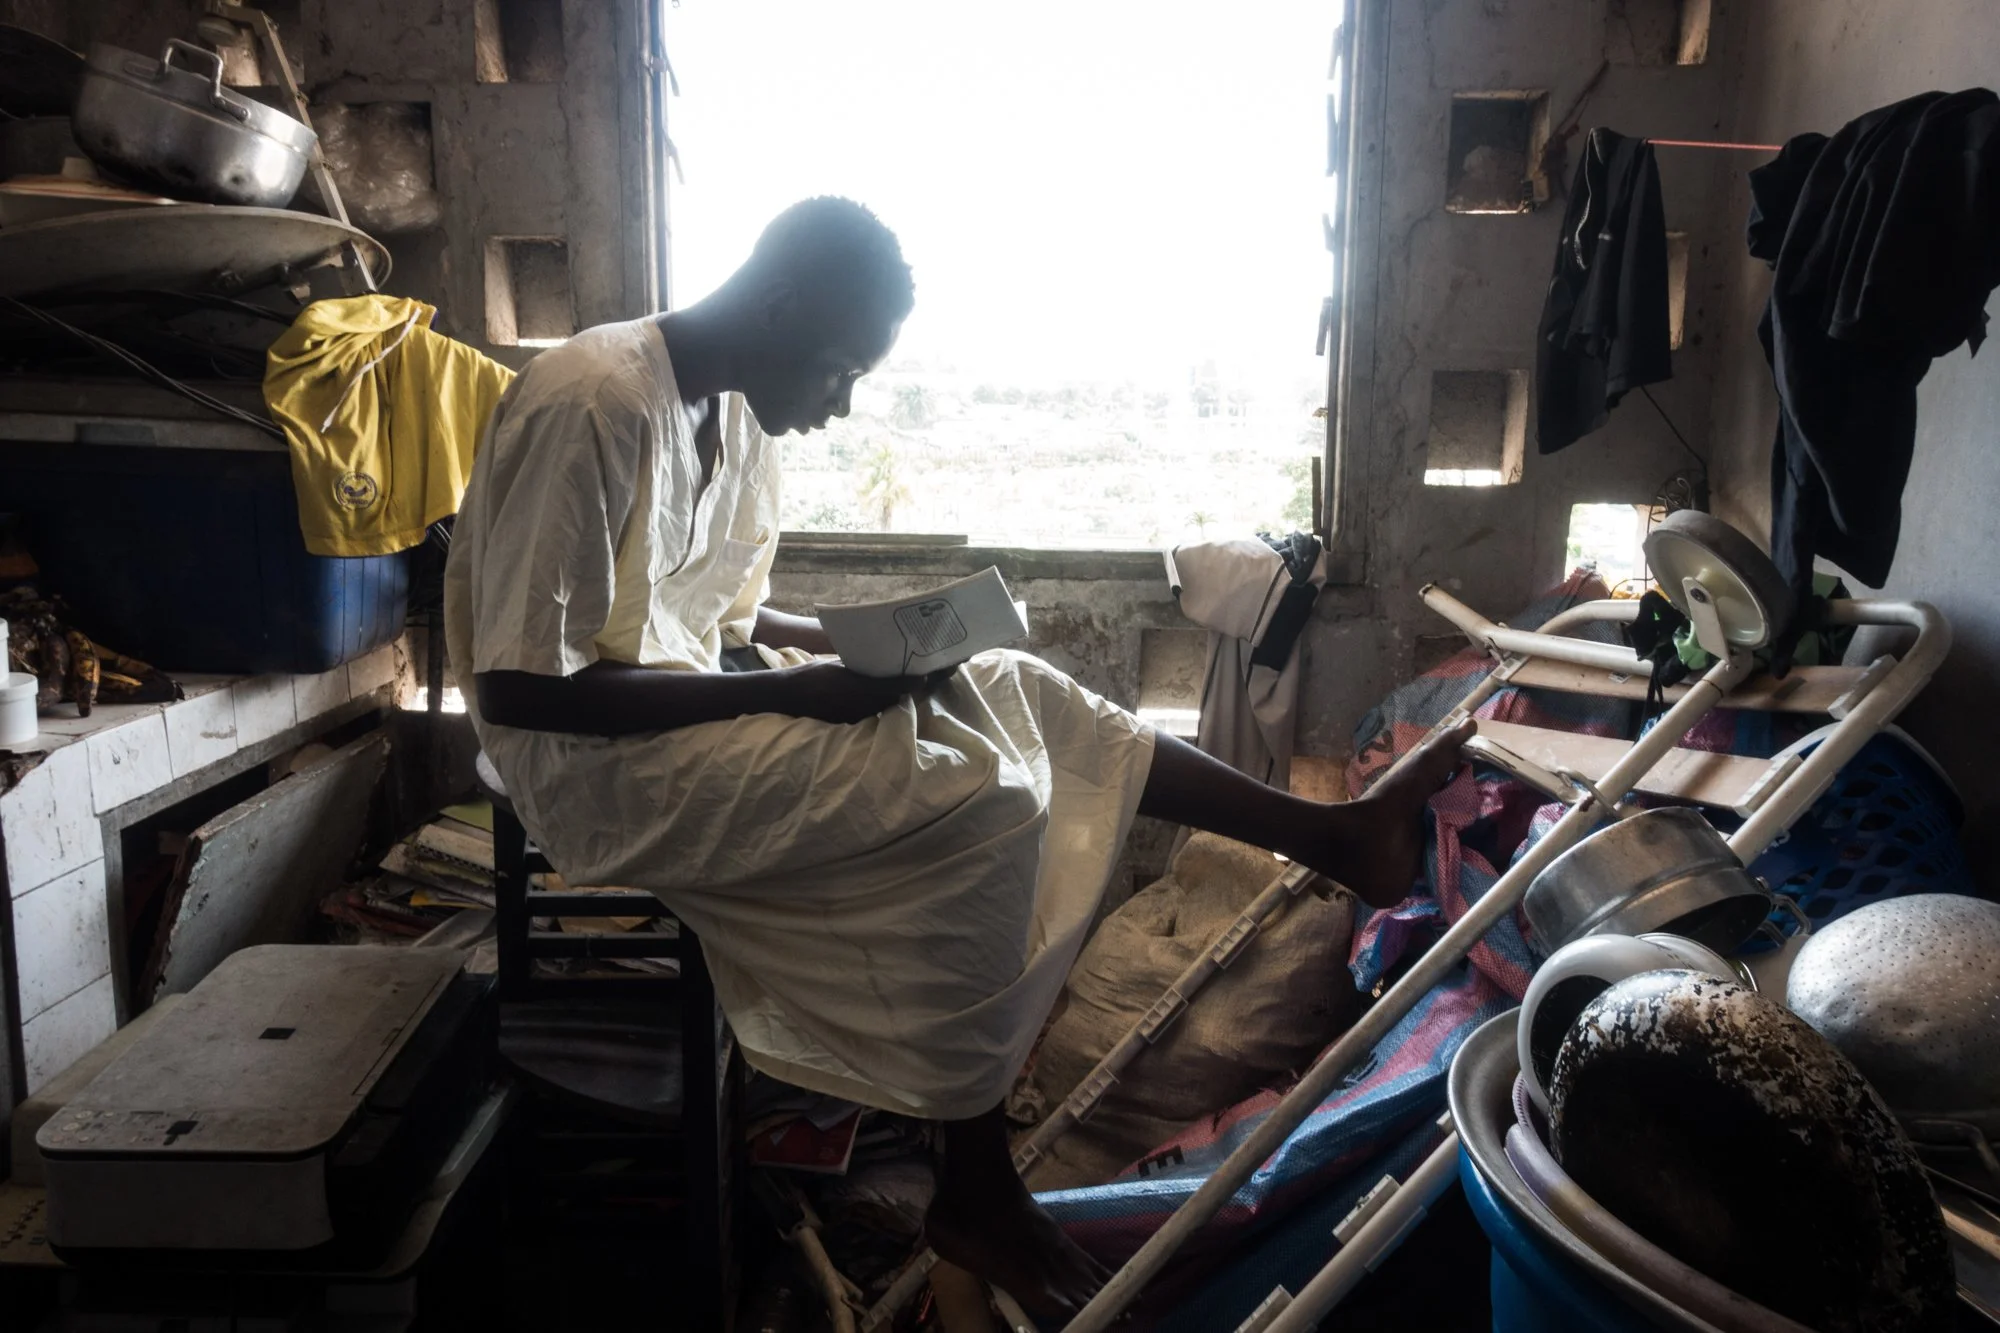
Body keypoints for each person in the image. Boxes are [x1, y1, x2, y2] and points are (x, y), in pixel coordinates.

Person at [443, 197, 1473, 1321]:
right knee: (976, 795)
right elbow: (521, 687)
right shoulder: (592, 399)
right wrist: (798, 690)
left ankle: (1334, 835)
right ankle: (973, 1187)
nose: (839, 408)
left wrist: (870, 641)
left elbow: (727, 616)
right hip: (587, 760)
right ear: (778, 307)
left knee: (1020, 689)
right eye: (839, 373)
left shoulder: (732, 418)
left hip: (688, 706)